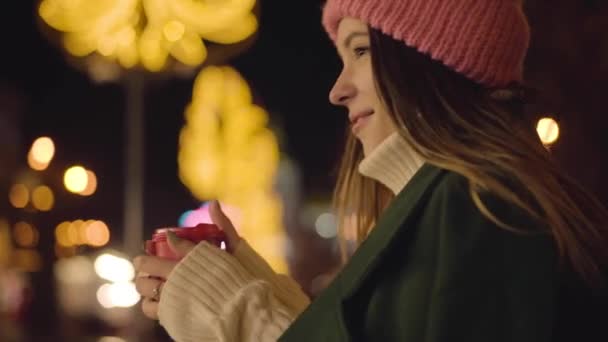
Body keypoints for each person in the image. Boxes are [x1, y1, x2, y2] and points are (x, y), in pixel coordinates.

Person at [133, 0, 608, 341]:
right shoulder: (459, 200)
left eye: (360, 51)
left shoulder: (478, 204)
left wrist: (235, 316)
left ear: (431, 55)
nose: (337, 90)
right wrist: (262, 299)